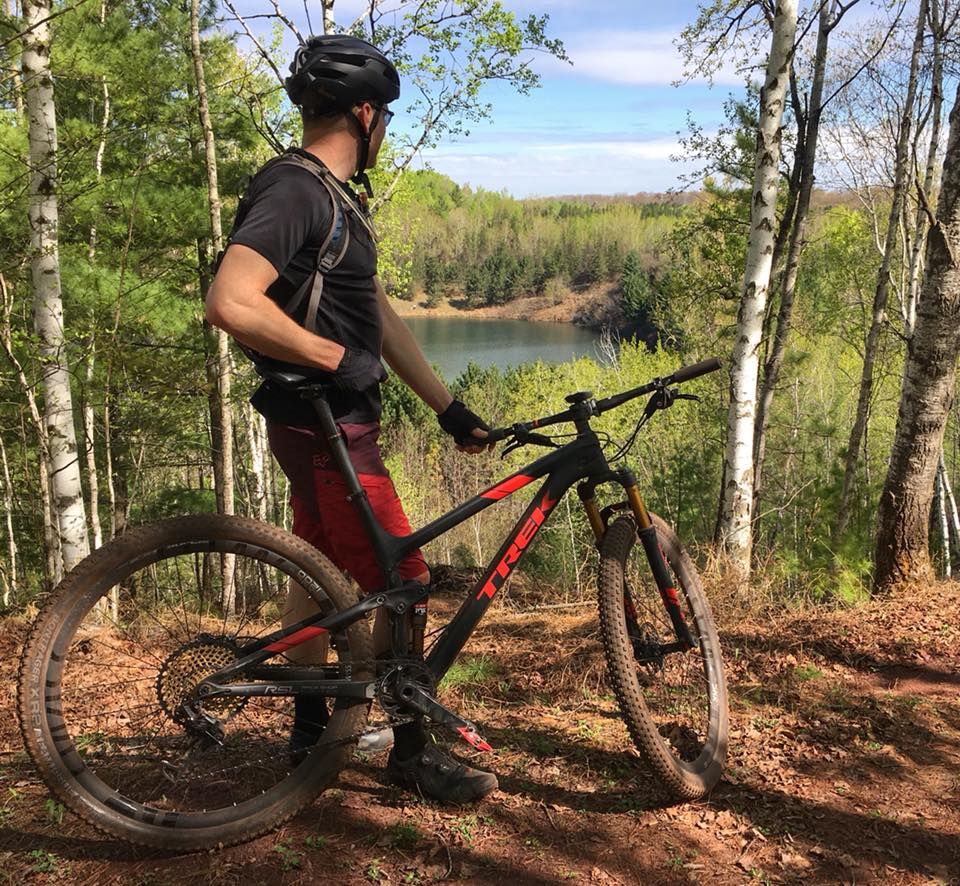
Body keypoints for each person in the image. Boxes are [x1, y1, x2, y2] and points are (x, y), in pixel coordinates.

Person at [205, 35, 498, 804]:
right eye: (387, 115)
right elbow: (230, 301)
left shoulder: (337, 202)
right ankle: (407, 754)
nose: (388, 127)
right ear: (365, 113)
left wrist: (447, 406)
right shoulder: (297, 190)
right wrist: (335, 360)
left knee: (315, 573)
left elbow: (376, 314)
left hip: (323, 425)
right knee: (401, 581)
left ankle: (309, 739)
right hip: (327, 427)